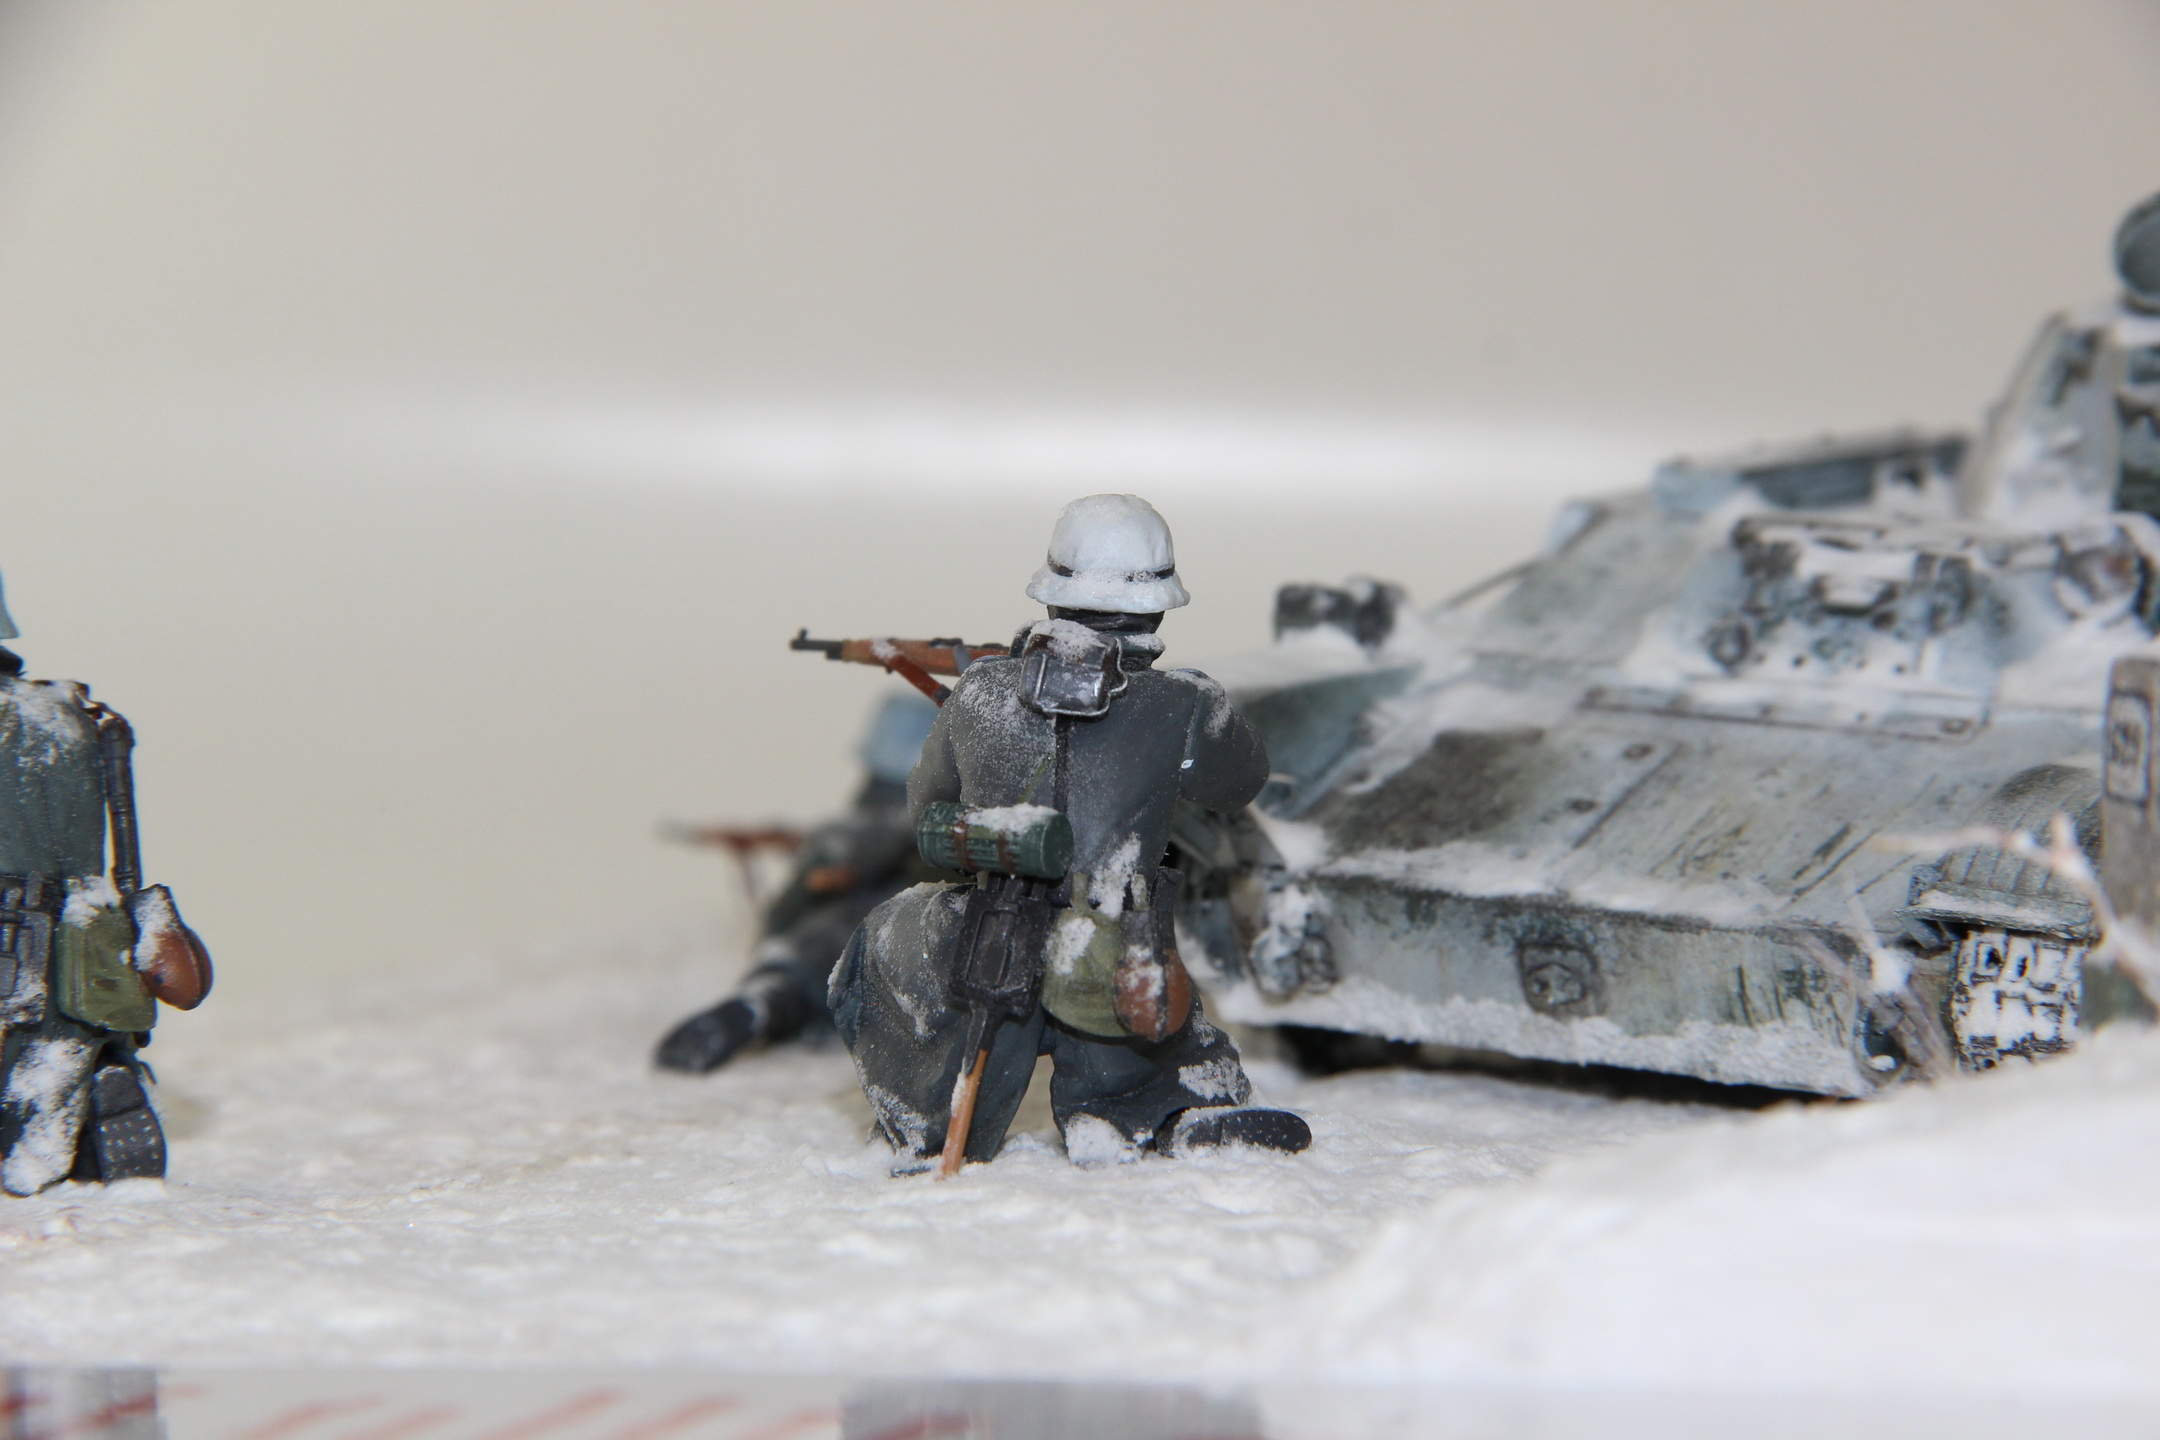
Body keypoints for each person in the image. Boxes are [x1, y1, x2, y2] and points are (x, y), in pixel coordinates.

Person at [830, 493, 1311, 1168]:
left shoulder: (979, 691)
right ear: (1157, 607)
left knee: (955, 1013)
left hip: (989, 932)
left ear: (1052, 594)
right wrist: (1201, 713)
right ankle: (1147, 1115)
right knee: (1151, 1043)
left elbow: (927, 807)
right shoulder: (1183, 703)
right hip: (1113, 938)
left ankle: (929, 1131)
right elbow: (1239, 783)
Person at [0, 570, 211, 1196]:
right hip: (71, 931)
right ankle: (78, 1100)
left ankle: (48, 1120)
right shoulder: (71, 714)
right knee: (60, 1038)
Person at [655, 692, 940, 1072]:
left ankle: (768, 997)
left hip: (875, 938)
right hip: (882, 937)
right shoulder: (898, 820)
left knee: (820, 955)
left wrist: (785, 917)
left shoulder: (885, 826)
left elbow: (844, 854)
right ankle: (768, 996)